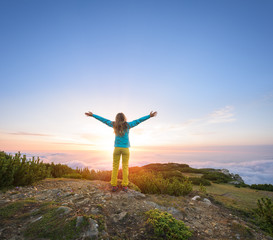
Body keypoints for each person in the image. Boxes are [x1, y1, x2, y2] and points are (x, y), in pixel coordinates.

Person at [85, 111, 157, 192]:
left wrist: (93, 115)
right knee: (125, 167)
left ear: (116, 118)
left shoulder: (114, 125)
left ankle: (113, 185)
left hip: (117, 149)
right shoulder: (128, 125)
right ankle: (125, 185)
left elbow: (103, 120)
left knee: (115, 167)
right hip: (125, 149)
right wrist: (149, 116)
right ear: (124, 118)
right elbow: (138, 120)